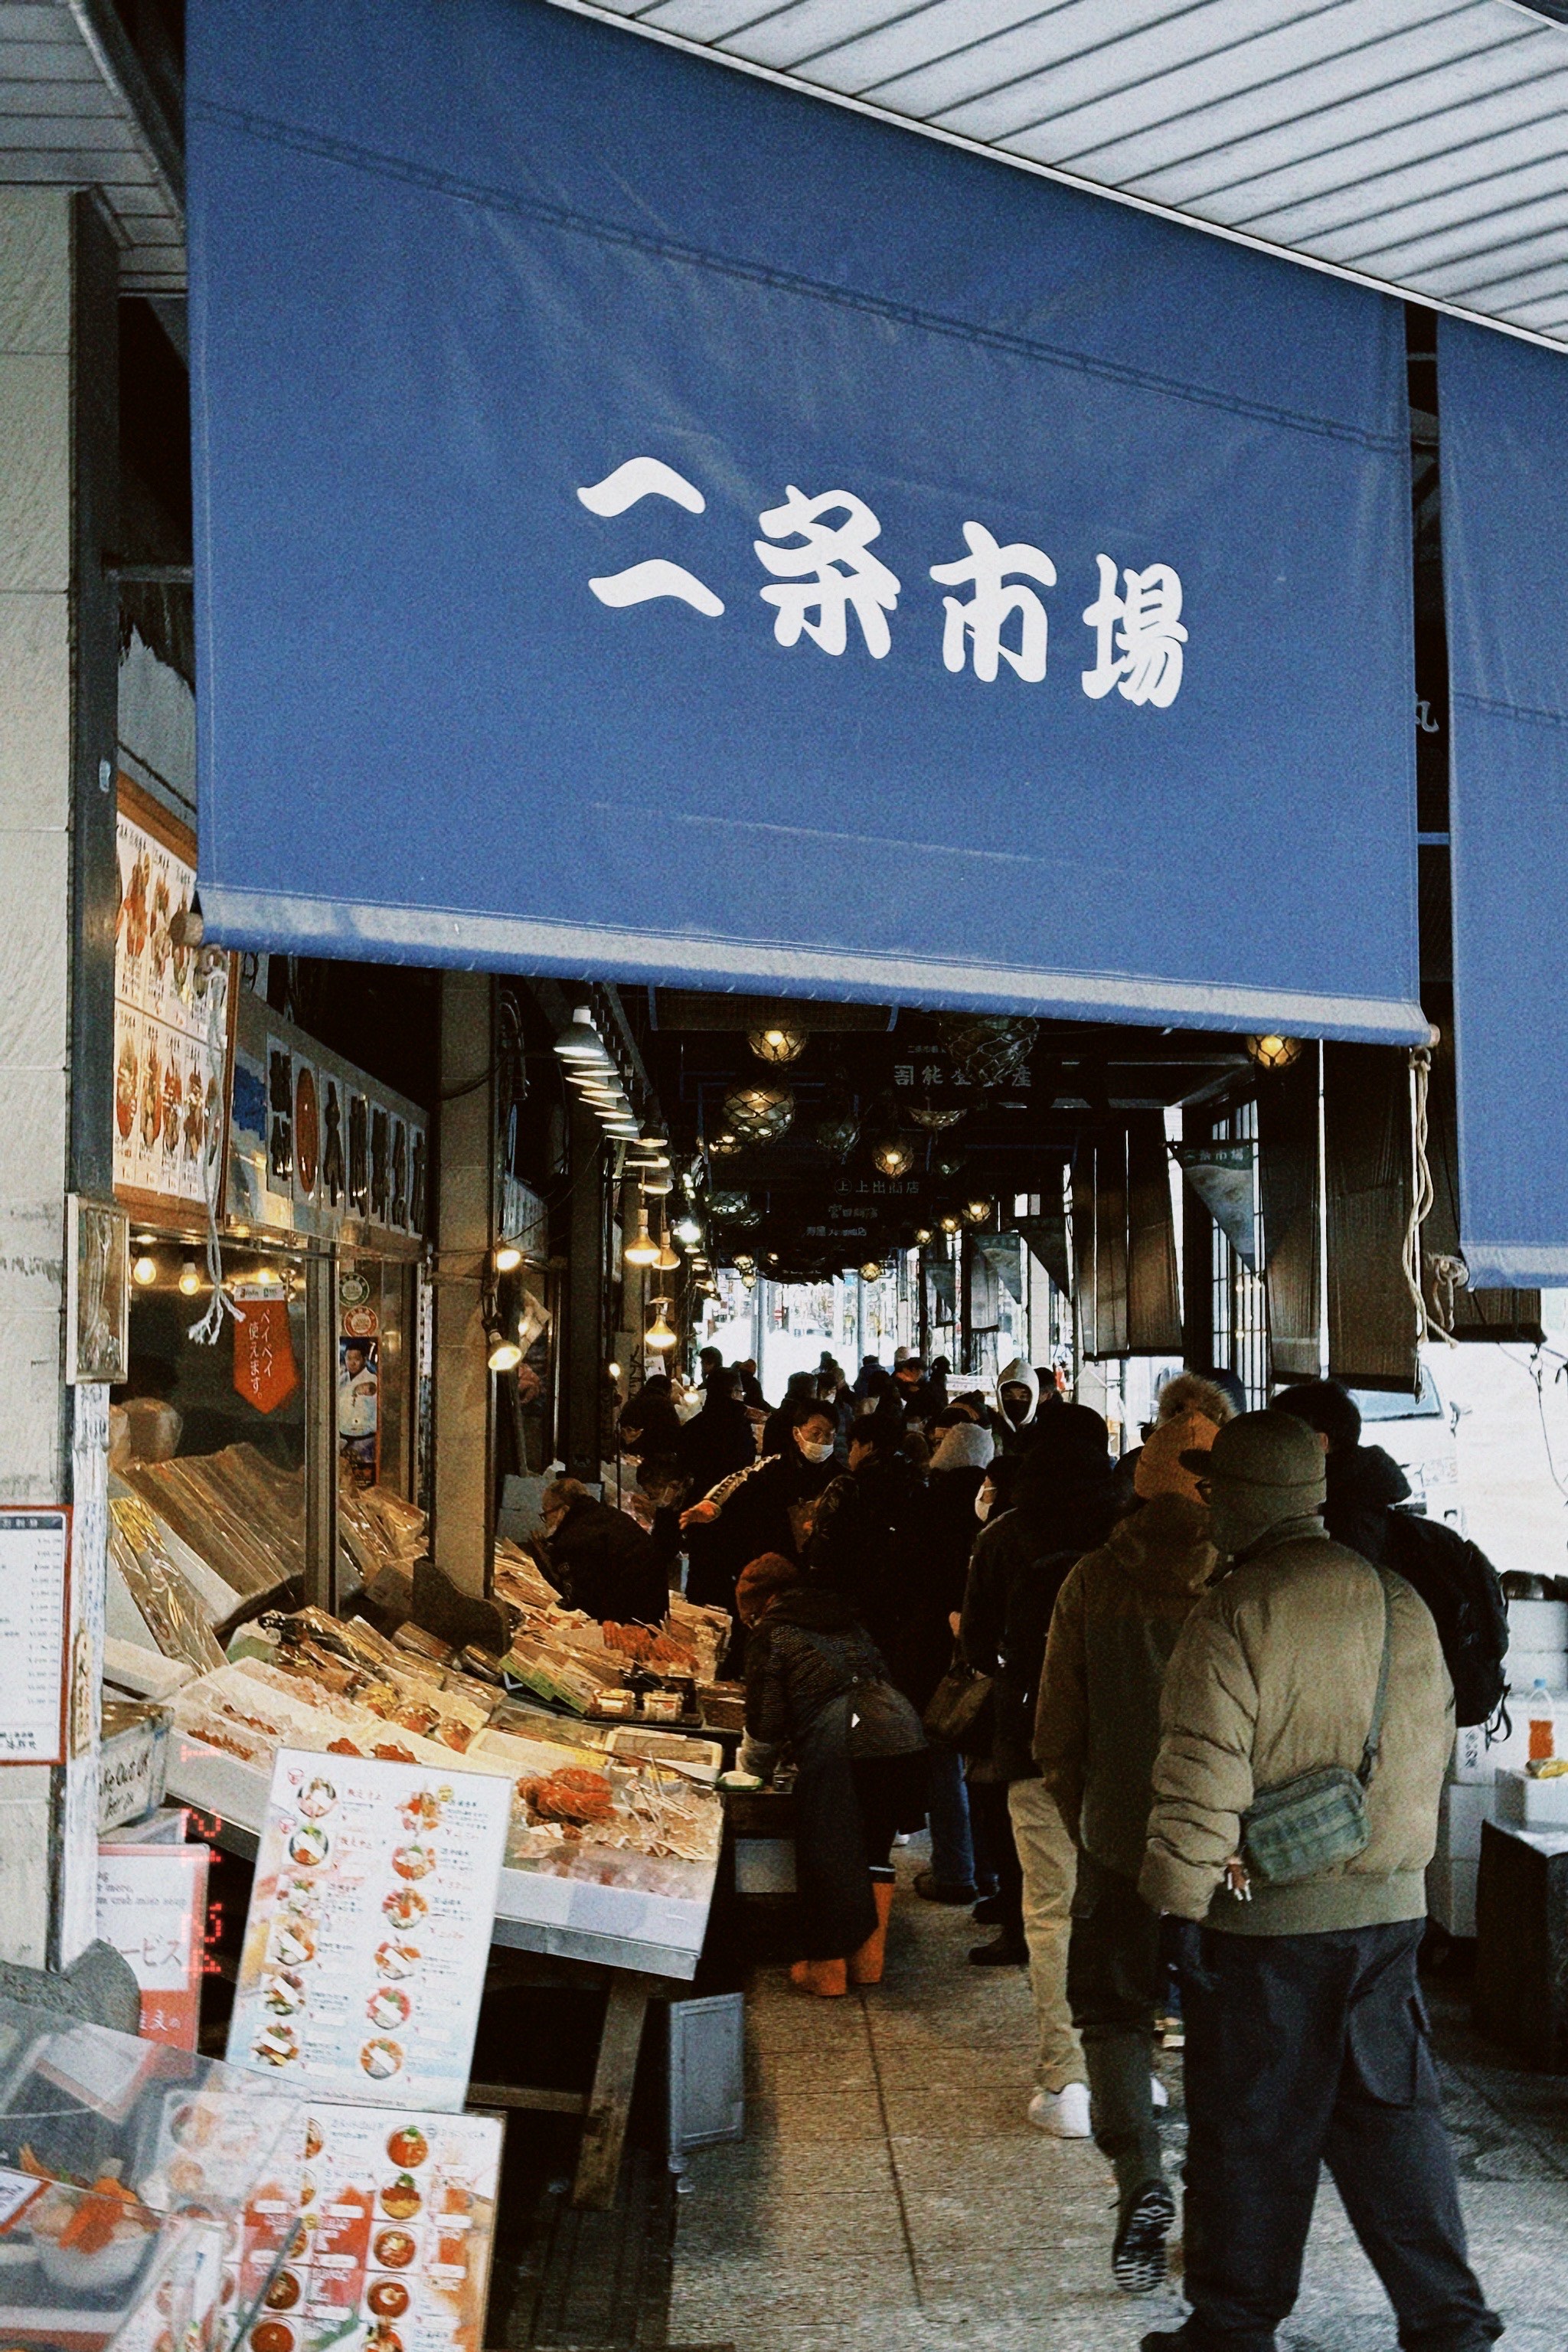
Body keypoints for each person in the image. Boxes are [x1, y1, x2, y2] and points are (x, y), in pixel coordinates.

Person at [1138, 1411, 1500, 2352]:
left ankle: (1232, 2325)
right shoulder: (1394, 1597)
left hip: (1267, 1922)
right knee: (1393, 2124)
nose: (1206, 1508)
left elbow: (1200, 1770)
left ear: (1246, 1500)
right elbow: (1427, 1753)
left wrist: (1174, 1905)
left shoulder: (1235, 1609)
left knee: (1251, 2132)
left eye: (1217, 1492)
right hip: (1386, 1919)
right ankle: (1448, 2322)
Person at [1034, 1403, 1220, 2292]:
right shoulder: (1245, 1580)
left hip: (1117, 1835)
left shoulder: (1091, 1580)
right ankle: (1215, 2211)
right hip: (1227, 1854)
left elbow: (1053, 1737)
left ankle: (1139, 2178)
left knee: (1111, 2015)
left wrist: (1095, 1816)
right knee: (1228, 2029)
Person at [960, 1408, 1118, 2131]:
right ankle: (1124, 2067)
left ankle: (1067, 2082)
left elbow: (978, 1647)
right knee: (1119, 1910)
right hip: (1127, 1753)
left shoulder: (1002, 1536)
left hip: (1032, 1745)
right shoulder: (1131, 1532)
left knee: (1050, 1913)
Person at [737, 1553, 927, 1996]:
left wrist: (749, 1775)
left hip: (848, 1738)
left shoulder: (774, 1632)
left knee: (828, 1852)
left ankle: (827, 1972)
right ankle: (867, 1964)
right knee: (874, 1849)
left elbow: (765, 1720)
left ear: (764, 1600)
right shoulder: (846, 1620)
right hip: (901, 1730)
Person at [899, 1414, 994, 1906]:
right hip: (982, 1654)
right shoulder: (992, 1510)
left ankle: (955, 1871)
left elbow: (912, 1579)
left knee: (943, 1759)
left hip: (929, 1650)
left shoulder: (926, 1502)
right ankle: (988, 1872)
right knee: (978, 1765)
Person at [681, 1396, 841, 1615]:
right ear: (797, 1434)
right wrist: (712, 1503)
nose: (823, 1441)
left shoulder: (841, 1479)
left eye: (830, 1435)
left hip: (823, 1582)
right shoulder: (775, 1467)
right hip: (774, 1577)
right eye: (816, 1433)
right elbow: (738, 1479)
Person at [805, 1418, 920, 1657]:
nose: (849, 1456)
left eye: (853, 1446)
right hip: (901, 1607)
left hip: (850, 1605)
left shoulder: (848, 1487)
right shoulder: (918, 1485)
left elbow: (823, 1553)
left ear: (867, 1446)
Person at [537, 1478, 669, 1625]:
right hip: (657, 1615)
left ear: (564, 1510)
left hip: (627, 1623)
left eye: (546, 1513)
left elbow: (582, 1603)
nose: (546, 1521)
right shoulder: (609, 1515)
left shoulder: (574, 1538)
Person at [675, 1364, 756, 1497]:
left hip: (696, 1503)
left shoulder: (691, 1427)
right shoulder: (740, 1428)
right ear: (734, 1393)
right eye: (742, 1393)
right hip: (732, 1502)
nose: (743, 1398)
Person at [616, 1370, 684, 1474]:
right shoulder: (665, 1405)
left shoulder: (632, 1403)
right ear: (668, 1391)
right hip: (656, 1458)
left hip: (631, 1456)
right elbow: (675, 1432)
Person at [762, 1370, 818, 1460]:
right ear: (810, 1392)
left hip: (772, 1469)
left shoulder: (775, 1417)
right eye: (815, 1391)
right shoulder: (805, 1420)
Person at [995, 1354, 1042, 1456]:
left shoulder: (1045, 1435)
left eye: (1023, 1397)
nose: (1016, 1401)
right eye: (1009, 1396)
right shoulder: (990, 1432)